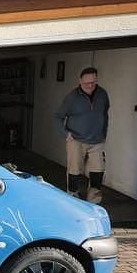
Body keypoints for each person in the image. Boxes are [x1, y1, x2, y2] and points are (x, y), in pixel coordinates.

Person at [55, 66, 109, 204]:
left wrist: (104, 132)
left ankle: (94, 203)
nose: (90, 85)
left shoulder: (102, 94)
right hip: (76, 140)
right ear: (80, 81)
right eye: (86, 83)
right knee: (74, 171)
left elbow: (105, 113)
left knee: (98, 171)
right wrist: (65, 134)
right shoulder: (72, 98)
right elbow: (58, 116)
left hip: (97, 141)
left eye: (93, 82)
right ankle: (73, 199)